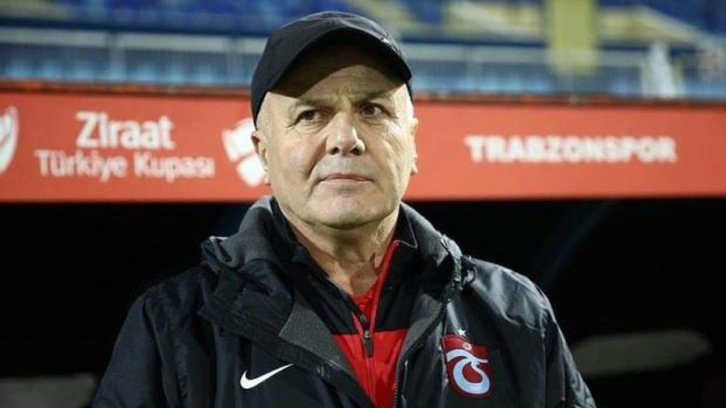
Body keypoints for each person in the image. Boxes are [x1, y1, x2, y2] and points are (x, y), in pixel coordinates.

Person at [92, 10, 596, 408]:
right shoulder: (175, 327)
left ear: (413, 144)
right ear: (263, 153)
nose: (346, 138)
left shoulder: (515, 313)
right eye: (311, 114)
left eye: (372, 110)